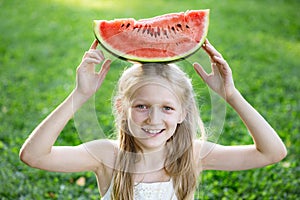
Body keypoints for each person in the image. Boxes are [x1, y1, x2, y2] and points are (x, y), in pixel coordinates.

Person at [19, 39, 287, 200]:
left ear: (183, 113)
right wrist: (80, 95)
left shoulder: (192, 154)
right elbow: (34, 156)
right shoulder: (106, 155)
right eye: (142, 106)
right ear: (122, 108)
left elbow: (272, 153)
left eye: (167, 108)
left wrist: (231, 95)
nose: (153, 119)